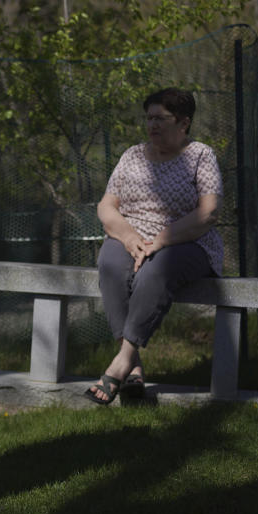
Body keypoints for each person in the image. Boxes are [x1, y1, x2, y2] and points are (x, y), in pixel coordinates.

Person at [87, 87, 223, 405]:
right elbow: (107, 207)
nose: (152, 125)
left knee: (154, 272)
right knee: (109, 264)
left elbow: (208, 213)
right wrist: (131, 238)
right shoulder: (132, 155)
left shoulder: (201, 155)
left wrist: (160, 241)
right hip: (131, 239)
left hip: (188, 243)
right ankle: (133, 366)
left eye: (160, 118)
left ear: (183, 123)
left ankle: (121, 361)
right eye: (148, 118)